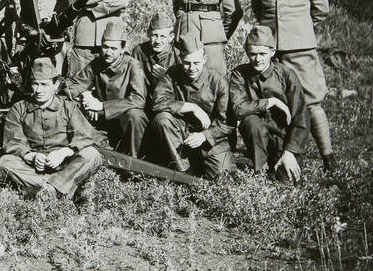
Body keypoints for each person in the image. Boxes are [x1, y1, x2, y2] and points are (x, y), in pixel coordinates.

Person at [251, 0, 335, 170]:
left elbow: (321, 9)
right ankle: (279, 154)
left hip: (300, 47)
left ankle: (328, 156)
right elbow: (258, 8)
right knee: (275, 100)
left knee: (310, 101)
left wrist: (300, 30)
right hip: (271, 49)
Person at [0, 57, 102, 200]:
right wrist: (32, 156)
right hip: (32, 167)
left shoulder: (68, 107)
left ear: (56, 85)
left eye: (45, 84)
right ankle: (55, 188)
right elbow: (13, 142)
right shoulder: (18, 108)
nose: (39, 90)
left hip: (65, 164)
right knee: (4, 162)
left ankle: (43, 188)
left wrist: (63, 153)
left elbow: (85, 135)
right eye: (35, 84)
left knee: (92, 155)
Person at [229, 26, 309, 183]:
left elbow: (301, 116)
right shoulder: (239, 74)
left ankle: (277, 159)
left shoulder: (286, 75)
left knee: (288, 182)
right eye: (252, 54)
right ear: (246, 52)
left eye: (262, 54)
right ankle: (260, 170)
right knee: (251, 122)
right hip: (257, 136)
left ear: (272, 52)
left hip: (283, 137)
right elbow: (238, 109)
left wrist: (289, 152)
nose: (257, 59)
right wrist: (270, 102)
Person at [150, 32, 234, 179]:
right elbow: (157, 103)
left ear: (204, 59)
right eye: (187, 63)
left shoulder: (219, 81)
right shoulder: (173, 73)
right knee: (162, 119)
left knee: (222, 177)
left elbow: (227, 122)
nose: (191, 68)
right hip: (180, 136)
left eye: (196, 63)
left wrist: (204, 135)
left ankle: (199, 164)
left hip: (211, 139)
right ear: (180, 59)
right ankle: (184, 173)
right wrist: (191, 107)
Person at [64, 21, 147, 158]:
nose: (108, 52)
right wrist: (86, 94)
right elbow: (71, 84)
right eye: (105, 47)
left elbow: (139, 99)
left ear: (122, 49)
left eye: (114, 49)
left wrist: (102, 106)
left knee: (135, 115)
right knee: (70, 104)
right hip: (100, 119)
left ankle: (133, 159)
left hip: (123, 119)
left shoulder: (133, 66)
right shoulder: (97, 63)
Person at [131, 11, 178, 102]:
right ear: (148, 34)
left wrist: (165, 78)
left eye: (163, 36)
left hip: (167, 102)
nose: (158, 41)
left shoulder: (177, 56)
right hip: (143, 101)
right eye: (155, 35)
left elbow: (180, 91)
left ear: (171, 37)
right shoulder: (139, 52)